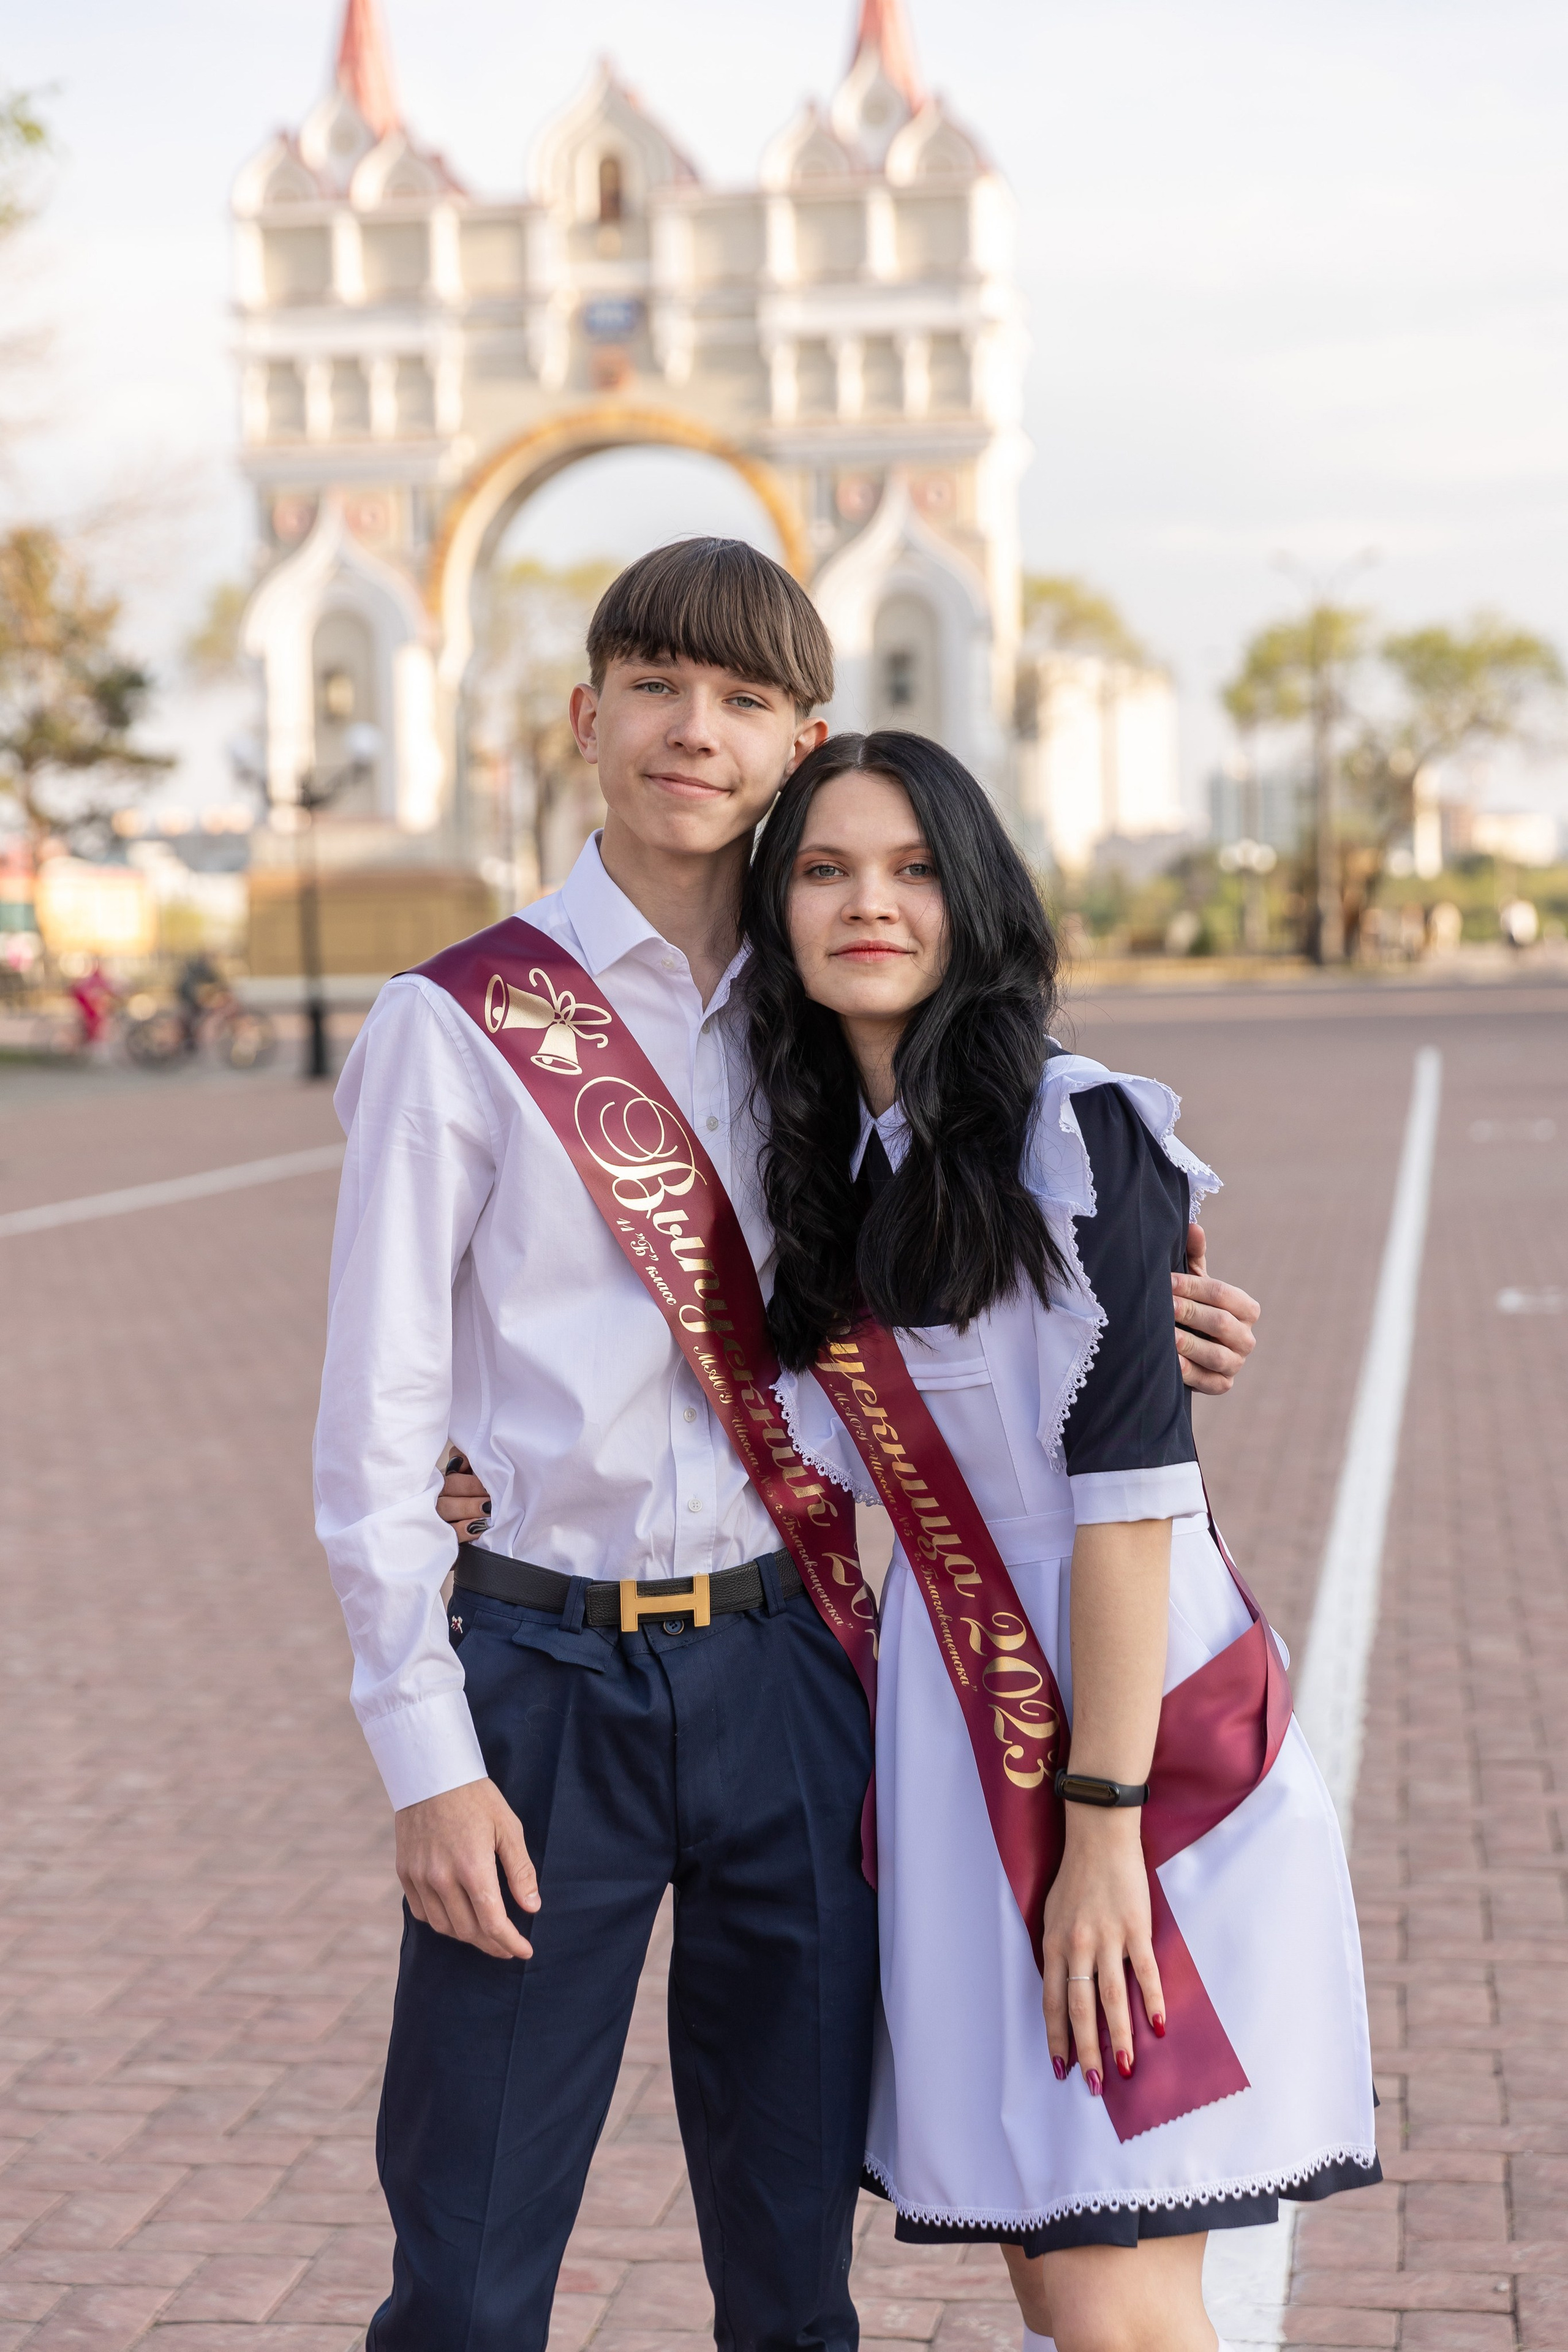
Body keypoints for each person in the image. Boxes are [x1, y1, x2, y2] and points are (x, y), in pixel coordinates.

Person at [317, 537, 1262, 2352]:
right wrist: (424, 1760)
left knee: (794, 2279)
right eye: (655, 687)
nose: (696, 729)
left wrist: (1151, 1315)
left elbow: (976, 1279)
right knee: (470, 2268)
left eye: (744, 699)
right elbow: (371, 1431)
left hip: (797, 1673)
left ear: (799, 742)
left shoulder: (832, 1017)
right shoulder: (459, 1025)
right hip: (541, 1685)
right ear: (585, 718)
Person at [728, 729, 1378, 2352]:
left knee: (1111, 2288)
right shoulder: (840, 1167)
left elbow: (1131, 1507)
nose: (869, 904)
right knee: (1050, 2256)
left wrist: (1102, 1835)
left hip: (1125, 1743)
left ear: (978, 897)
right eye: (824, 871)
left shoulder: (1078, 1135)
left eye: (913, 869)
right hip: (957, 1747)